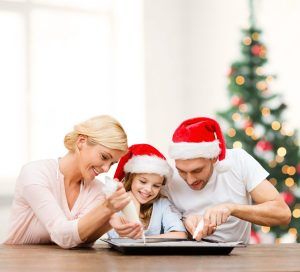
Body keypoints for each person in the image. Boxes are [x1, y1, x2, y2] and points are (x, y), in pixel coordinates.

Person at [5, 115, 131, 249]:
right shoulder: (35, 173)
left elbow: (81, 240)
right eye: (104, 157)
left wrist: (109, 220)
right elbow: (61, 235)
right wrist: (106, 209)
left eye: (112, 164)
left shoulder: (97, 189)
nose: (106, 169)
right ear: (81, 141)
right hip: (19, 262)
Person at [165, 116, 291, 243]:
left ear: (214, 158)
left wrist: (232, 209)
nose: (190, 180)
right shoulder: (168, 176)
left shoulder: (238, 161)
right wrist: (185, 223)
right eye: (181, 171)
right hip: (185, 257)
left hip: (237, 256)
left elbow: (282, 214)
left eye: (197, 170)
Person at [108, 144, 187, 239]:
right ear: (130, 178)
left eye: (156, 186)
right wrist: (134, 209)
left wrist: (143, 240)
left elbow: (180, 235)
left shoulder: (162, 204)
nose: (148, 189)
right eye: (143, 181)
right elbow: (119, 239)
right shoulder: (116, 204)